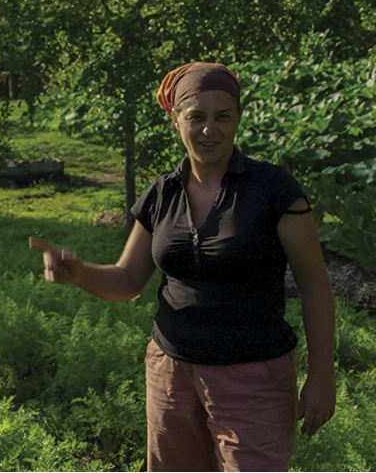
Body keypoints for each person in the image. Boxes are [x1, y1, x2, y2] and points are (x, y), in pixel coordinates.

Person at [32, 62, 336, 472]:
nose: (209, 129)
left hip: (253, 376)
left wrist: (321, 376)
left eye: (222, 116)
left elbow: (315, 285)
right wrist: (80, 272)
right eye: (196, 117)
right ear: (176, 122)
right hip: (171, 374)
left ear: (238, 119)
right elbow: (126, 280)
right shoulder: (162, 194)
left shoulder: (273, 190)